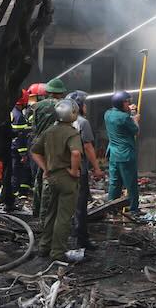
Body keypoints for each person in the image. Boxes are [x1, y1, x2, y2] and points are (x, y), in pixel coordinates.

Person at [30, 99, 82, 262]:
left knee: (50, 214)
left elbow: (34, 152)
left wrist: (45, 168)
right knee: (63, 217)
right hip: (66, 178)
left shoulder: (49, 131)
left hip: (51, 178)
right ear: (71, 113)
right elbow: (76, 153)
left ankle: (44, 247)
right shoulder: (72, 133)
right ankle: (58, 252)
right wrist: (74, 170)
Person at [68, 91, 104, 249]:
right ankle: (81, 240)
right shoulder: (82, 122)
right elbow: (88, 147)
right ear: (79, 106)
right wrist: (96, 168)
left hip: (63, 170)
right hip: (78, 170)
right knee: (80, 206)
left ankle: (65, 238)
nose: (86, 107)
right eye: (84, 104)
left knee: (65, 206)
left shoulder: (60, 122)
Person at [32, 78, 67, 218]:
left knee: (40, 176)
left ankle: (37, 209)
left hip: (39, 145)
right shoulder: (64, 106)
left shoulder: (37, 106)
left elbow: (34, 126)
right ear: (60, 92)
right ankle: (46, 213)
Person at [104, 90, 141, 216]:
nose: (129, 104)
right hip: (125, 155)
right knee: (131, 184)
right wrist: (135, 118)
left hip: (113, 154)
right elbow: (136, 131)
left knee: (115, 183)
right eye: (127, 102)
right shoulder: (124, 118)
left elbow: (120, 120)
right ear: (121, 103)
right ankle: (134, 209)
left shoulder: (108, 114)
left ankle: (111, 209)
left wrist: (130, 112)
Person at [10, 89, 32, 202]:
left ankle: (12, 195)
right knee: (16, 173)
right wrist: (23, 154)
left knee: (12, 172)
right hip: (17, 150)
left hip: (11, 148)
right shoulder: (19, 117)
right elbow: (20, 137)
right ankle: (13, 197)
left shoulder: (12, 112)